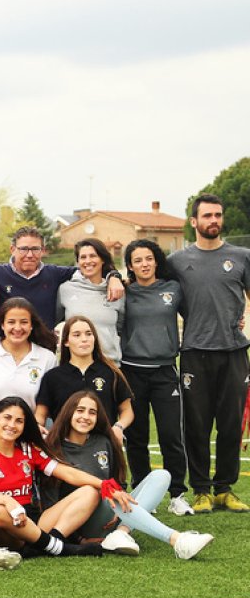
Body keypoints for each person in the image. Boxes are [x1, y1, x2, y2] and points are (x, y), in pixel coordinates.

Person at [40, 391, 214, 560]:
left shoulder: (103, 442)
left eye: (92, 412)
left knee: (162, 475)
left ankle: (122, 532)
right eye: (80, 410)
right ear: (68, 412)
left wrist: (118, 509)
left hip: (112, 515)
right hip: (79, 525)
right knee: (99, 490)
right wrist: (79, 539)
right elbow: (51, 503)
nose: (86, 416)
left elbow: (118, 483)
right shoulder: (54, 449)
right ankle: (177, 540)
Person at [168, 193, 250, 513]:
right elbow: (151, 287)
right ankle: (201, 489)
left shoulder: (242, 256)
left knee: (230, 424)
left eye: (218, 215)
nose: (213, 221)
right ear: (194, 222)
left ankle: (224, 489)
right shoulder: (177, 261)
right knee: (197, 425)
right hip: (194, 352)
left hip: (234, 352)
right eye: (207, 216)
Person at [0, 397, 121, 558]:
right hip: (6, 525)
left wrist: (105, 484)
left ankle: (48, 543)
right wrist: (6, 500)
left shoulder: (29, 450)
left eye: (19, 421)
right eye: (7, 418)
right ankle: (58, 548)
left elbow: (67, 472)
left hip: (33, 519)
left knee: (90, 491)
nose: (11, 425)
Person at [0, 226, 123, 331]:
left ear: (43, 251)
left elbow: (89, 267)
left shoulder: (55, 274)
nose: (29, 254)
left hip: (43, 353)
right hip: (4, 352)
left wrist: (113, 276)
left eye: (35, 249)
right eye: (23, 249)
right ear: (12, 249)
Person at [121, 239, 190, 515]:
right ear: (130, 265)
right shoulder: (124, 292)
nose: (144, 264)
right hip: (131, 371)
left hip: (164, 371)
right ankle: (142, 493)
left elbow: (197, 315)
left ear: (156, 260)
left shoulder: (173, 289)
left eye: (148, 258)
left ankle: (177, 494)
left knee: (171, 434)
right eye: (138, 260)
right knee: (135, 436)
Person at [0, 298, 57, 446]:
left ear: (32, 325)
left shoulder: (47, 358)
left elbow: (44, 405)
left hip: (25, 440)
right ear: (2, 325)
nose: (18, 328)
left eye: (24, 322)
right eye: (11, 322)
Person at [35, 316, 133, 434]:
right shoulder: (53, 377)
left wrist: (119, 427)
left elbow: (127, 410)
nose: (84, 339)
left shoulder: (111, 373)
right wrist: (37, 426)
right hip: (65, 447)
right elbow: (40, 415)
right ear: (66, 341)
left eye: (88, 334)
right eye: (77, 335)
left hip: (103, 445)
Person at [57, 238, 125, 362]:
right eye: (83, 257)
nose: (88, 261)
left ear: (103, 259)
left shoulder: (117, 290)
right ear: (77, 262)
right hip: (76, 366)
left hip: (110, 364)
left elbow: (120, 328)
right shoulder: (65, 289)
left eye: (93, 256)